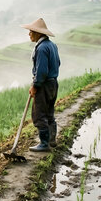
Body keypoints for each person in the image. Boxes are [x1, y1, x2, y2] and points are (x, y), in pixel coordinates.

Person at [20, 18, 60, 152]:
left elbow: (42, 71)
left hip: (44, 85)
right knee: (49, 112)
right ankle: (51, 140)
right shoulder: (52, 45)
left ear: (38, 33)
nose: (29, 34)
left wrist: (35, 85)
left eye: (31, 32)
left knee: (39, 114)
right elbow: (58, 63)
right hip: (53, 83)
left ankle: (44, 144)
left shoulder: (42, 48)